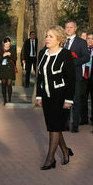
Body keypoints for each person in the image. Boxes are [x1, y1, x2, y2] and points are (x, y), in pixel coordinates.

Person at [36, 25, 76, 169]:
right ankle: (65, 150)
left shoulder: (65, 54)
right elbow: (39, 76)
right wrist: (39, 96)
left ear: (59, 39)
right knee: (55, 127)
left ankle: (50, 159)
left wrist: (68, 100)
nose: (47, 39)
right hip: (46, 97)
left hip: (60, 97)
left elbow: (71, 79)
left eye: (51, 36)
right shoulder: (42, 53)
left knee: (54, 128)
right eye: (47, 36)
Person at [62, 21, 88, 132]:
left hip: (76, 75)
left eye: (70, 27)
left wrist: (74, 62)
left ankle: (75, 124)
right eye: (66, 27)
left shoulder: (81, 42)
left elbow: (86, 57)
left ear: (75, 28)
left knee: (76, 101)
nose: (68, 29)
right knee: (64, 100)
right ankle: (65, 124)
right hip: (62, 76)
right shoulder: (61, 41)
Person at [79, 32, 93, 126]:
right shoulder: (82, 50)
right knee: (83, 99)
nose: (90, 40)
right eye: (88, 38)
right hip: (83, 77)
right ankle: (83, 118)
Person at [0, 37, 17, 104]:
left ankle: (9, 99)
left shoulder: (12, 49)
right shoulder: (0, 50)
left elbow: (15, 58)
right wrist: (3, 55)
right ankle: (5, 100)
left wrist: (10, 55)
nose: (7, 46)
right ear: (4, 44)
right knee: (3, 84)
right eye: (6, 44)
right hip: (3, 69)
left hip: (10, 68)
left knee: (9, 84)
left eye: (9, 44)